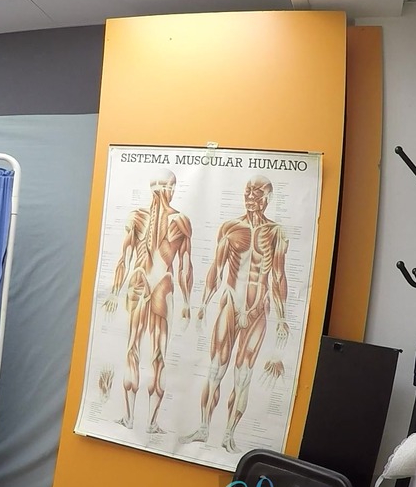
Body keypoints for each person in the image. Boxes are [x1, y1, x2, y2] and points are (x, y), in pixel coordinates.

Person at [180, 175, 290, 453]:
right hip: (230, 303)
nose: (251, 196)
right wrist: (203, 304)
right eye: (247, 191)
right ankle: (204, 428)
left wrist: (282, 316)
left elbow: (278, 275)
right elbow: (216, 268)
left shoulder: (276, 232)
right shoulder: (230, 228)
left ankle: (228, 435)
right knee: (216, 369)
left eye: (257, 192)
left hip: (257, 310)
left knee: (244, 375)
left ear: (268, 197)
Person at [102, 169, 194, 433]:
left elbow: (125, 258)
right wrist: (187, 303)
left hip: (145, 284)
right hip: (156, 285)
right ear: (170, 188)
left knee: (136, 350)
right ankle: (147, 422)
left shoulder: (145, 217)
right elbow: (185, 266)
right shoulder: (178, 220)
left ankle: (134, 419)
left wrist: (114, 291)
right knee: (154, 354)